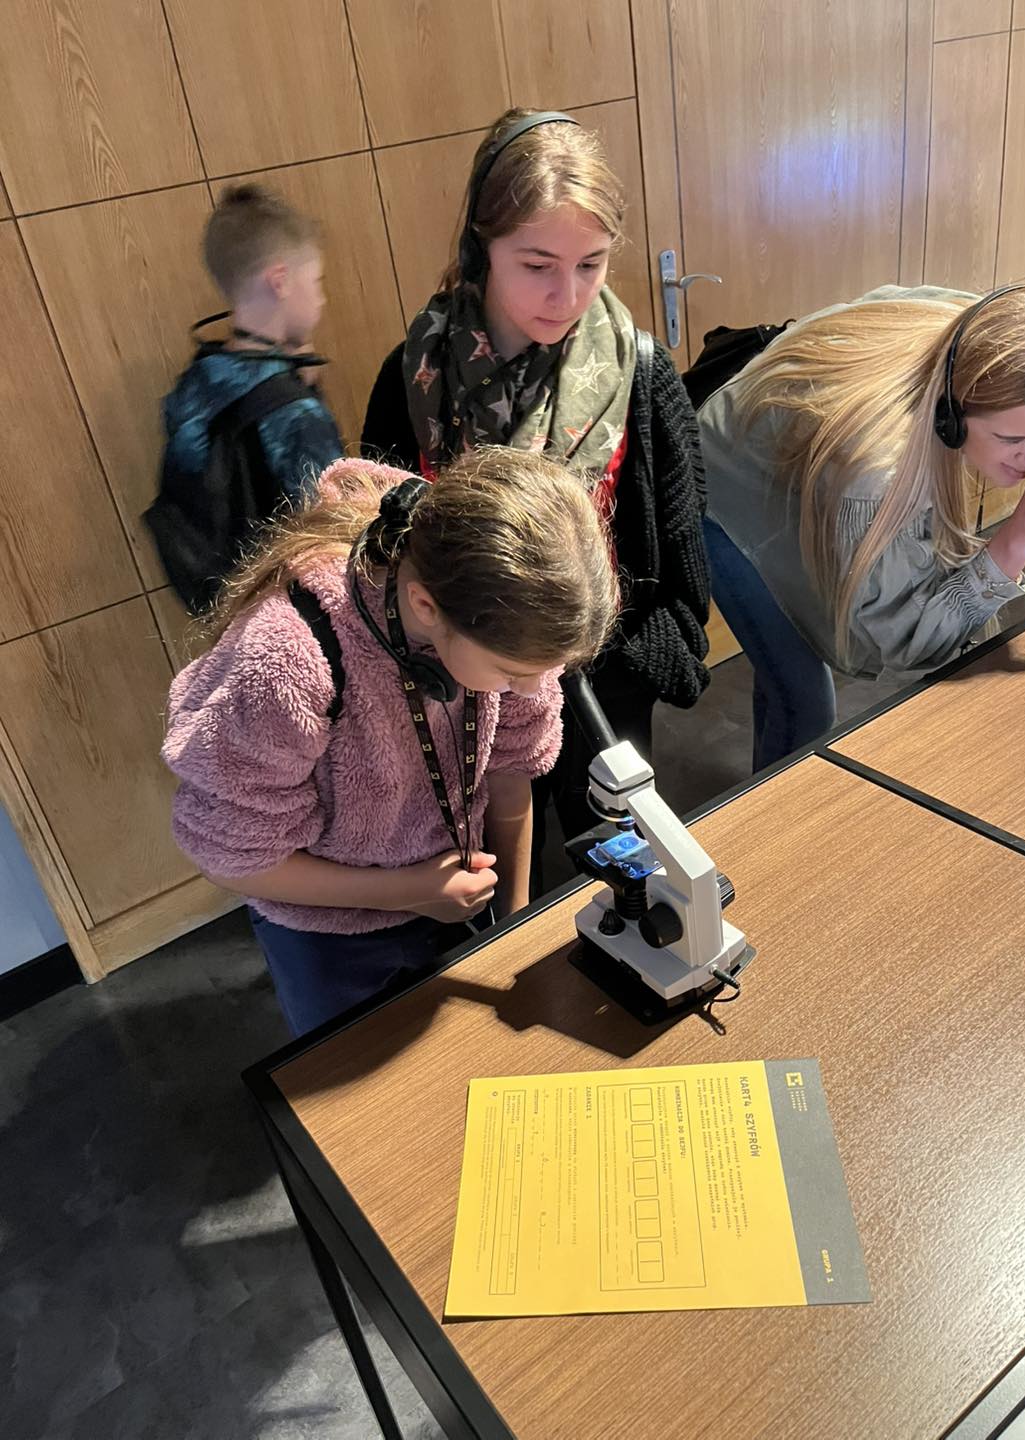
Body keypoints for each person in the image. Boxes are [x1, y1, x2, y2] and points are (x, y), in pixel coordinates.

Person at [361, 108, 711, 884]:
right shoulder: (413, 378)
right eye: (537, 264)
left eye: (592, 264)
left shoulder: (640, 371)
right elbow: (379, 535)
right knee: (494, 859)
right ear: (480, 248)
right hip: (470, 675)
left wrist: (646, 662)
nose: (567, 294)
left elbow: (681, 533)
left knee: (616, 855)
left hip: (603, 670)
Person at [162, 448, 618, 1036]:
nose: (533, 689)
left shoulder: (507, 630)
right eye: (511, 673)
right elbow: (236, 860)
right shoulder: (283, 663)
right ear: (426, 605)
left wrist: (516, 926)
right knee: (348, 1069)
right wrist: (410, 891)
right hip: (328, 930)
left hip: (451, 893)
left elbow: (512, 773)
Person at [698, 283, 1025, 771]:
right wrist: (1018, 539)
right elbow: (906, 644)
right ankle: (762, 815)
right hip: (726, 488)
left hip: (783, 445)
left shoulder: (988, 332)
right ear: (951, 414)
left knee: (782, 671)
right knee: (805, 700)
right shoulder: (878, 474)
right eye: (1012, 439)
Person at [161, 183, 343, 518]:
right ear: (280, 282)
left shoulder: (199, 378)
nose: (321, 298)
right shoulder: (298, 416)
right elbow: (338, 530)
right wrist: (305, 394)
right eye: (316, 282)